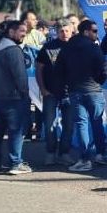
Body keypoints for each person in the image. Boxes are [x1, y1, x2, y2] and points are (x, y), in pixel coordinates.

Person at [57, 20, 107, 172]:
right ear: (86, 32)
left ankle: (85, 159)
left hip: (75, 91)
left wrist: (67, 85)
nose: (97, 33)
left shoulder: (67, 48)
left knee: (81, 124)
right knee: (96, 122)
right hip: (93, 90)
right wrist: (98, 81)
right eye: (94, 31)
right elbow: (103, 71)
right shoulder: (94, 48)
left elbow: (59, 70)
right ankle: (100, 154)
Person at [0, 20, 32, 174]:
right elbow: (20, 76)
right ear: (11, 32)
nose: (24, 34)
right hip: (14, 97)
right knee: (16, 131)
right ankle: (15, 163)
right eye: (21, 31)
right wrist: (25, 94)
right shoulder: (13, 50)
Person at [36, 20, 74, 166]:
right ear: (57, 32)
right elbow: (38, 69)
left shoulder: (76, 47)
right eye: (61, 31)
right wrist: (43, 89)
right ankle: (50, 153)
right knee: (49, 125)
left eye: (67, 30)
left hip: (70, 93)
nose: (65, 33)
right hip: (50, 92)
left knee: (69, 125)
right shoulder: (48, 47)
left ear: (72, 31)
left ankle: (64, 153)